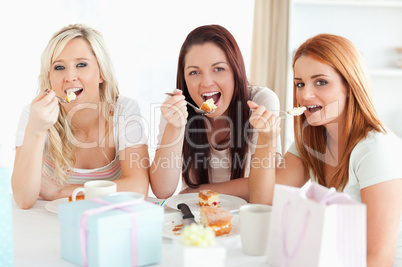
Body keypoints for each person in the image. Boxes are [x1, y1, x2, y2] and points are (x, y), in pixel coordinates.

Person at [249, 33, 402, 267]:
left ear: (349, 86)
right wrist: (266, 138)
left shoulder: (375, 149)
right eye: (300, 83)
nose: (304, 95)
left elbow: (379, 259)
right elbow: (264, 201)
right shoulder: (313, 140)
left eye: (320, 82)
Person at [12, 24, 149, 209]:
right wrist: (35, 130)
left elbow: (138, 188)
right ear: (50, 78)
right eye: (59, 67)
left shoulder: (124, 111)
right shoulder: (34, 115)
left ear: (101, 73)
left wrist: (58, 192)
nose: (70, 76)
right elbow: (23, 199)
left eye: (81, 65)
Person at [150, 24, 282, 201]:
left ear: (236, 71)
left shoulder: (261, 101)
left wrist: (197, 191)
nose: (206, 82)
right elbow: (162, 190)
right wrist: (175, 128)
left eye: (218, 69)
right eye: (194, 72)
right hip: (196, 218)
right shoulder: (175, 107)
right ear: (184, 78)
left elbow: (271, 183)